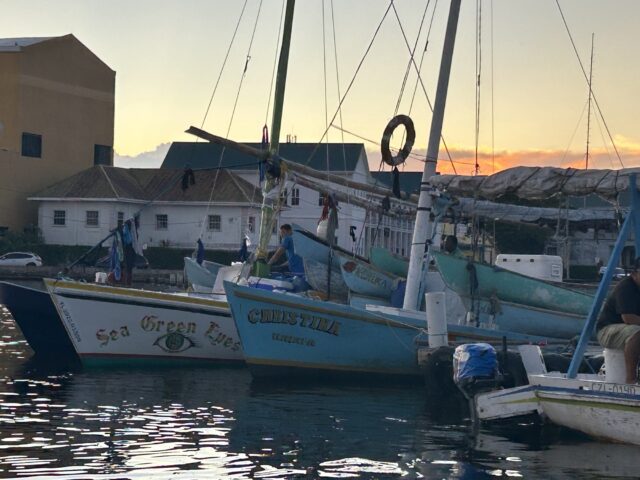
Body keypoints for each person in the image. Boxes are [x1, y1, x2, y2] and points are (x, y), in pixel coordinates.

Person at [597, 257, 640, 384]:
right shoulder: (625, 287)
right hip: (607, 330)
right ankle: (631, 380)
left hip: (627, 330)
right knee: (637, 332)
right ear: (634, 274)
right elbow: (628, 318)